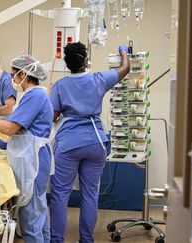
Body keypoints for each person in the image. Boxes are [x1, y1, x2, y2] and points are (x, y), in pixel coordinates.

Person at [49, 42, 130, 243]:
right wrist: (123, 52)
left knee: (60, 195)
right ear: (85, 62)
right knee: (90, 195)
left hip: (68, 145)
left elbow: (52, 116)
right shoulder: (99, 79)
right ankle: (86, 240)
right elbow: (125, 69)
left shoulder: (60, 85)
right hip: (96, 143)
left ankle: (56, 240)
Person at [0, 54, 53, 243]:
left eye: (14, 74)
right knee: (38, 211)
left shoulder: (35, 95)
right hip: (32, 153)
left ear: (23, 73)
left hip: (33, 159)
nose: (12, 78)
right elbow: (26, 131)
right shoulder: (33, 95)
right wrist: (7, 145)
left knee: (31, 216)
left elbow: (11, 128)